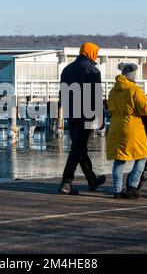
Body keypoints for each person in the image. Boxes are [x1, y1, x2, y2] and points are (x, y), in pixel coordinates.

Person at [107, 63, 147, 199]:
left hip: (115, 127)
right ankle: (132, 186)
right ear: (132, 76)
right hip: (131, 127)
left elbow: (109, 107)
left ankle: (117, 190)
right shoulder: (135, 90)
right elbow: (145, 110)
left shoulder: (113, 90)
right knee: (142, 156)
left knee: (119, 159)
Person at [58, 42, 106, 195]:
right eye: (96, 53)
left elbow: (62, 94)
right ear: (91, 53)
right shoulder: (93, 71)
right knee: (77, 148)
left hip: (71, 114)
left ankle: (92, 179)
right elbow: (96, 97)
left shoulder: (66, 70)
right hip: (86, 115)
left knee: (80, 148)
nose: (96, 56)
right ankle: (66, 182)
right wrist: (101, 118)